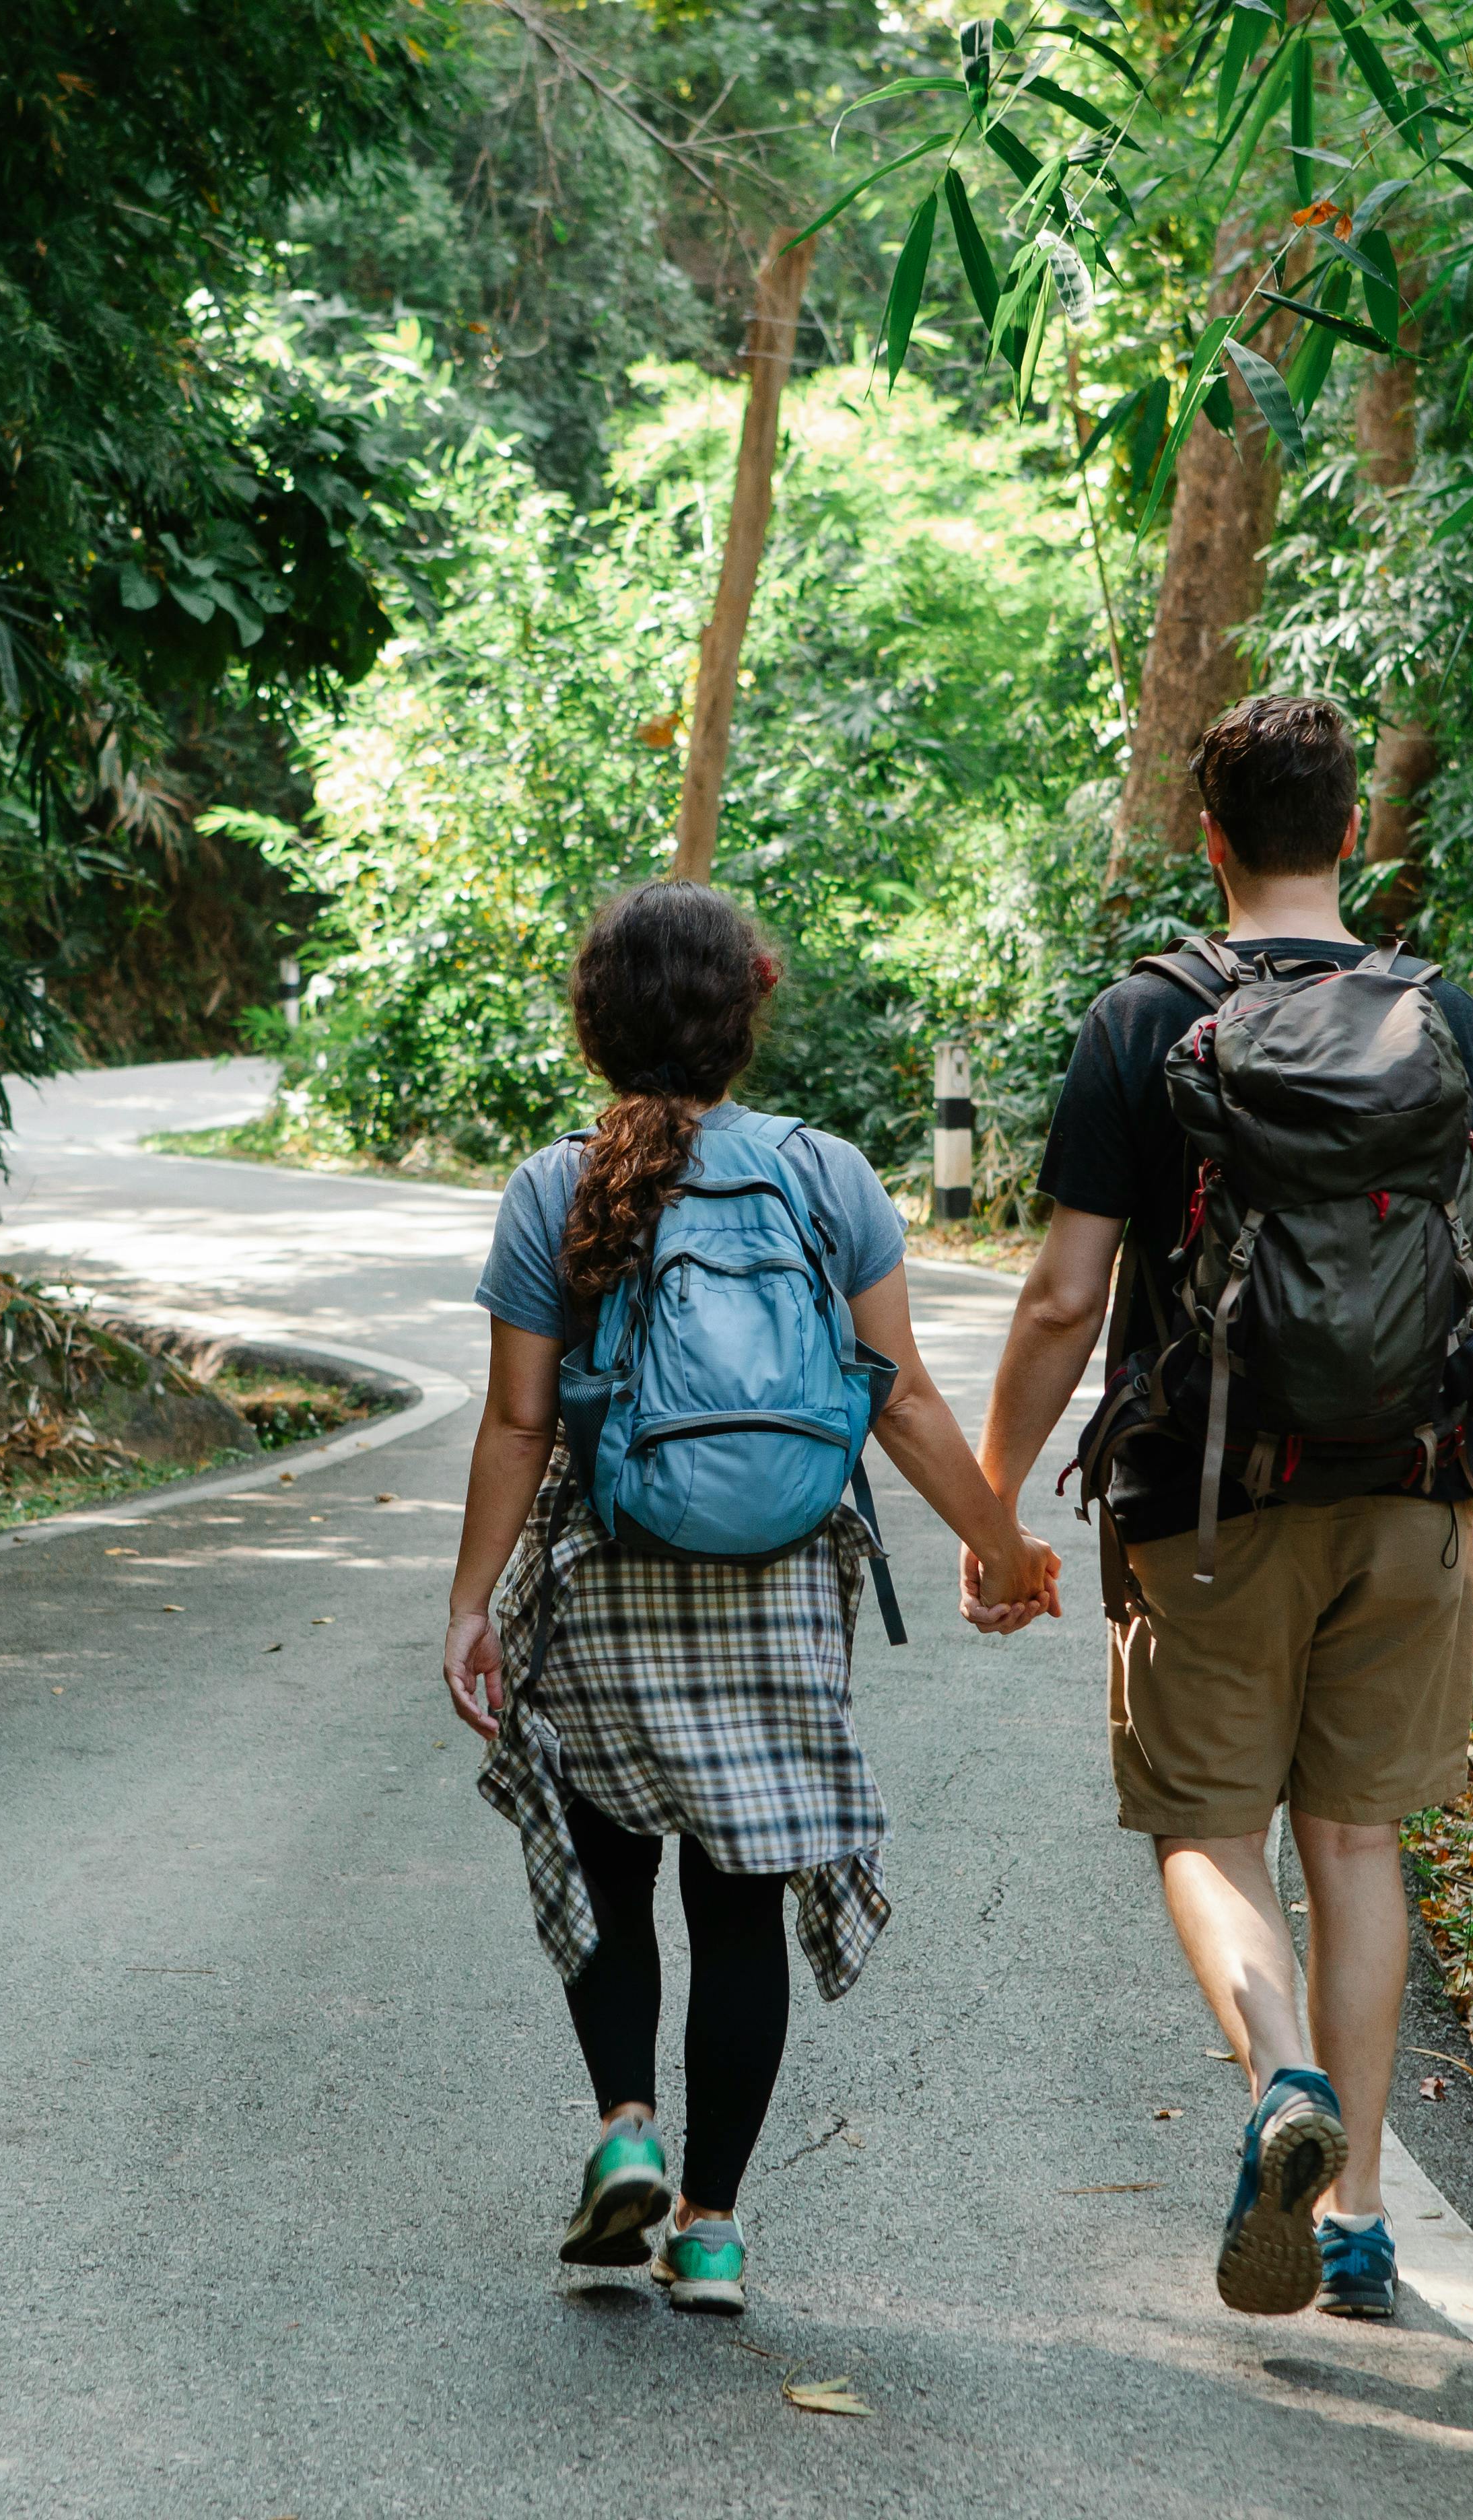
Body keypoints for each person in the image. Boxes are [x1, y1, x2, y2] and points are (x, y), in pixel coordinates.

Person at [961, 693, 1473, 2323]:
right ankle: (1362, 2220)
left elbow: (1056, 1301)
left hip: (1206, 1506)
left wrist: (991, 1506)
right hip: (1413, 1490)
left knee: (1205, 1826)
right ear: (1356, 837)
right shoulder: (1443, 1018)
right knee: (1360, 1836)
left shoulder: (1143, 1020)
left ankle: (1280, 2077)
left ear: (1210, 836)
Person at [444, 880, 1058, 2317]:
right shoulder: (829, 1175)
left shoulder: (557, 1185)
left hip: (607, 1580)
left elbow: (520, 1426)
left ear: (596, 1024)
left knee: (610, 1870)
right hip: (783, 1590)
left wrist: (474, 1601)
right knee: (738, 1909)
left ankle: (624, 2132)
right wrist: (1000, 1541)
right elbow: (895, 1402)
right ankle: (710, 2230)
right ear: (748, 1013)